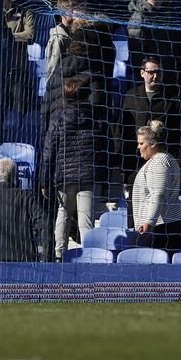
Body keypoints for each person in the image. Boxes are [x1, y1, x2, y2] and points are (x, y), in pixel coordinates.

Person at [41, 77, 104, 261]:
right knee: (86, 219)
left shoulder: (58, 119)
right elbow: (102, 147)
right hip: (87, 175)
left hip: (64, 175)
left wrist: (45, 181)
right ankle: (88, 255)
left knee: (64, 214)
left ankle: (59, 254)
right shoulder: (95, 117)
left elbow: (48, 152)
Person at [116, 57, 181, 215]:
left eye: (157, 72)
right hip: (135, 162)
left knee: (158, 203)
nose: (154, 76)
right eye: (150, 72)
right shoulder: (131, 96)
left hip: (161, 161)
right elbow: (122, 130)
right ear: (142, 73)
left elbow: (178, 132)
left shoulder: (171, 98)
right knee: (135, 206)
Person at [132, 120, 181, 255]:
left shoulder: (159, 162)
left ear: (152, 143)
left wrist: (149, 221)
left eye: (141, 143)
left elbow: (158, 195)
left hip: (163, 225)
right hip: (164, 222)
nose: (138, 147)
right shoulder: (162, 159)